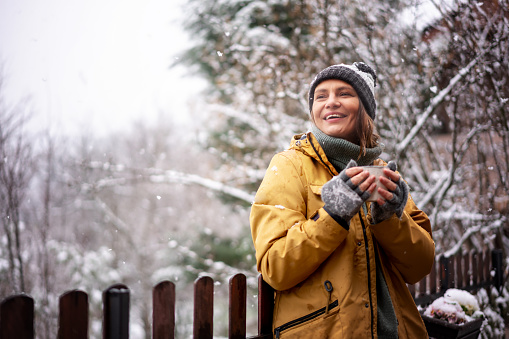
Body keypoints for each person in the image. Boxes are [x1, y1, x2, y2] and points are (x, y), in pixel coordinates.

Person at [250, 62, 435, 338]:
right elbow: (276, 267)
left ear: (365, 108)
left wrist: (390, 218)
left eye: (344, 94)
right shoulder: (290, 166)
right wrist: (333, 216)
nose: (331, 102)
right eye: (321, 96)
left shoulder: (383, 171)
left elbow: (420, 265)